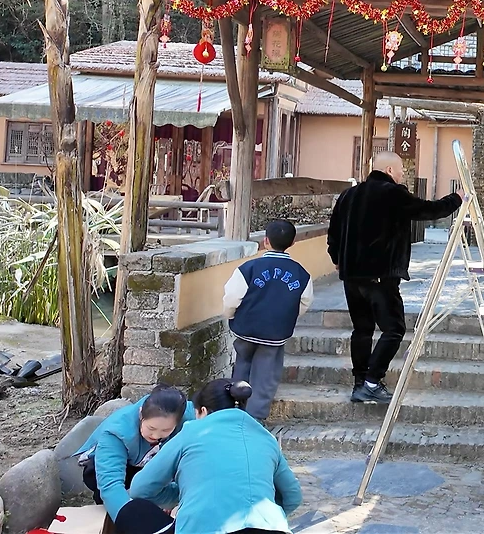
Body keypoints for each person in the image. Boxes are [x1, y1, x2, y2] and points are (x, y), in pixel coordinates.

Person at [328, 150, 462, 404]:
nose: (402, 175)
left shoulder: (348, 195)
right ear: (389, 170)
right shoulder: (391, 192)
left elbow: (333, 233)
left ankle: (360, 384)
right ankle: (371, 382)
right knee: (394, 329)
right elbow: (428, 210)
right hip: (380, 276)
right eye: (400, 170)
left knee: (362, 330)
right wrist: (456, 198)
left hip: (351, 277)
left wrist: (338, 260)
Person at [129, 379, 303, 534]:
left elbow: (140, 488)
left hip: (205, 528)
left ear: (202, 411)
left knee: (132, 511)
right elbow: (293, 496)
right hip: (270, 528)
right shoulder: (267, 438)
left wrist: (183, 494)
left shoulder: (193, 432)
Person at [222, 218, 314, 421]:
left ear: (265, 241)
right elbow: (305, 302)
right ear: (293, 243)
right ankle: (255, 416)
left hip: (245, 328)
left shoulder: (248, 268)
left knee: (242, 364)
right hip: (276, 332)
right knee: (266, 373)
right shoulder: (302, 274)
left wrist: (231, 315)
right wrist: (286, 317)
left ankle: (236, 409)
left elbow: (231, 297)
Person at [75, 385, 194, 525]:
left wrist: (173, 502)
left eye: (166, 430)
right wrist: (131, 521)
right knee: (116, 500)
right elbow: (111, 484)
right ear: (141, 414)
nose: (156, 435)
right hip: (117, 467)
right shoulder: (117, 432)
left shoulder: (190, 418)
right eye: (151, 428)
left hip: (153, 462)